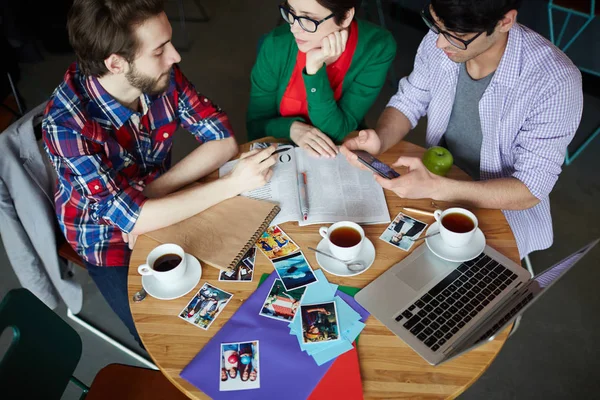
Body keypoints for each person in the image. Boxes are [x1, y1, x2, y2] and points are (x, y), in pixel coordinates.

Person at [42, 0, 277, 346]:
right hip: (108, 241)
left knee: (251, 291)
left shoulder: (157, 75)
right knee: (173, 340)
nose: (175, 57)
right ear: (116, 64)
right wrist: (231, 185)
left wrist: (150, 196)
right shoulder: (65, 125)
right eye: (160, 50)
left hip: (160, 208)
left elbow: (223, 141)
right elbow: (129, 221)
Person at [341, 0, 583, 259]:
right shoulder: (444, 36)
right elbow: (409, 100)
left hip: (503, 209)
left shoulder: (555, 82)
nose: (440, 44)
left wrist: (436, 188)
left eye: (458, 37)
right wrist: (380, 139)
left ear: (505, 22)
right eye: (436, 26)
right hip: (436, 180)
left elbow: (530, 188)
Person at [247, 0, 396, 157]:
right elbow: (255, 128)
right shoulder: (276, 45)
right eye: (291, 11)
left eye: (308, 19)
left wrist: (314, 70)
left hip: (339, 152)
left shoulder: (377, 48)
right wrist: (291, 128)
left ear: (345, 16)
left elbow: (336, 131)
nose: (294, 28)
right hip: (283, 153)